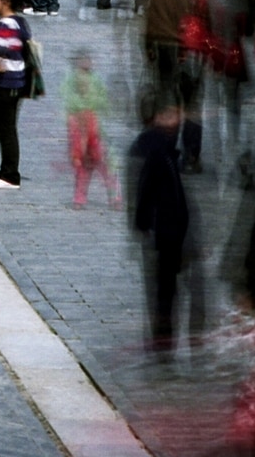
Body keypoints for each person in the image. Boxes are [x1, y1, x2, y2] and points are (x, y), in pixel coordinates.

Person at [128, 97, 195, 347]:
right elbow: (145, 191)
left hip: (170, 232)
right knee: (164, 290)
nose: (177, 120)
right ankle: (162, 341)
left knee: (167, 289)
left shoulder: (166, 149)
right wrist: (144, 224)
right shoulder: (156, 149)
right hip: (165, 233)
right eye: (170, 114)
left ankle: (163, 338)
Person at [0, 0, 33, 187]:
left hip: (8, 81)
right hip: (12, 81)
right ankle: (5, 171)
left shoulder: (8, 24)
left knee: (6, 129)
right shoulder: (18, 22)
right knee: (4, 128)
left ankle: (10, 175)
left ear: (5, 1)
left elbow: (7, 48)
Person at [62, 49, 116, 207]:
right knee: (82, 170)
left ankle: (114, 197)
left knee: (105, 167)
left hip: (95, 133)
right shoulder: (71, 82)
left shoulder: (96, 80)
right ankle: (79, 199)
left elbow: (104, 102)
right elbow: (69, 103)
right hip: (80, 134)